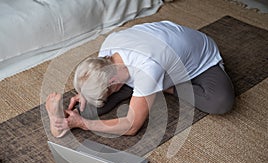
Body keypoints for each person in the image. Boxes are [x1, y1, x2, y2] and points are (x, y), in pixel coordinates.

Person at [45, 20, 235, 138]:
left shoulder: (147, 69)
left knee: (220, 102)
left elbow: (131, 126)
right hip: (153, 60)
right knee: (93, 103)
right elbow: (95, 75)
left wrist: (86, 125)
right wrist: (84, 91)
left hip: (199, 59)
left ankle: (166, 87)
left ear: (112, 83)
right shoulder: (107, 51)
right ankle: (62, 119)